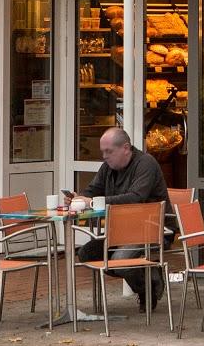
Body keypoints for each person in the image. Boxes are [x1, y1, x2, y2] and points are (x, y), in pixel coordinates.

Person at [68, 127, 170, 312]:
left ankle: (149, 287)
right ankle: (148, 277)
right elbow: (93, 191)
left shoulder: (145, 163)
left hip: (152, 229)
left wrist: (91, 202)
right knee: (87, 254)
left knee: (119, 260)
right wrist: (78, 199)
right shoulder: (108, 167)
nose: (105, 156)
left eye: (109, 152)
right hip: (121, 232)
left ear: (126, 148)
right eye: (103, 152)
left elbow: (136, 197)